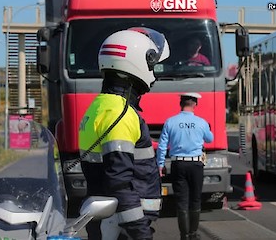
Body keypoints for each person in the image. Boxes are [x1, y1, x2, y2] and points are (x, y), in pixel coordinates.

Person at [78, 27, 170, 240]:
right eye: (152, 65)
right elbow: (119, 182)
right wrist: (140, 232)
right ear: (139, 62)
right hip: (121, 227)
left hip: (107, 221)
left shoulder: (101, 106)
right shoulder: (121, 114)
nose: (153, 73)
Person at [156, 93, 214, 240]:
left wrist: (160, 164)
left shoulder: (170, 122)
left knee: (181, 200)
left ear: (180, 104)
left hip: (178, 164)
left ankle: (184, 235)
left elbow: (162, 146)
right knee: (195, 199)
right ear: (195, 104)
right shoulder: (201, 122)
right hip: (196, 164)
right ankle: (193, 234)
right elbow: (210, 139)